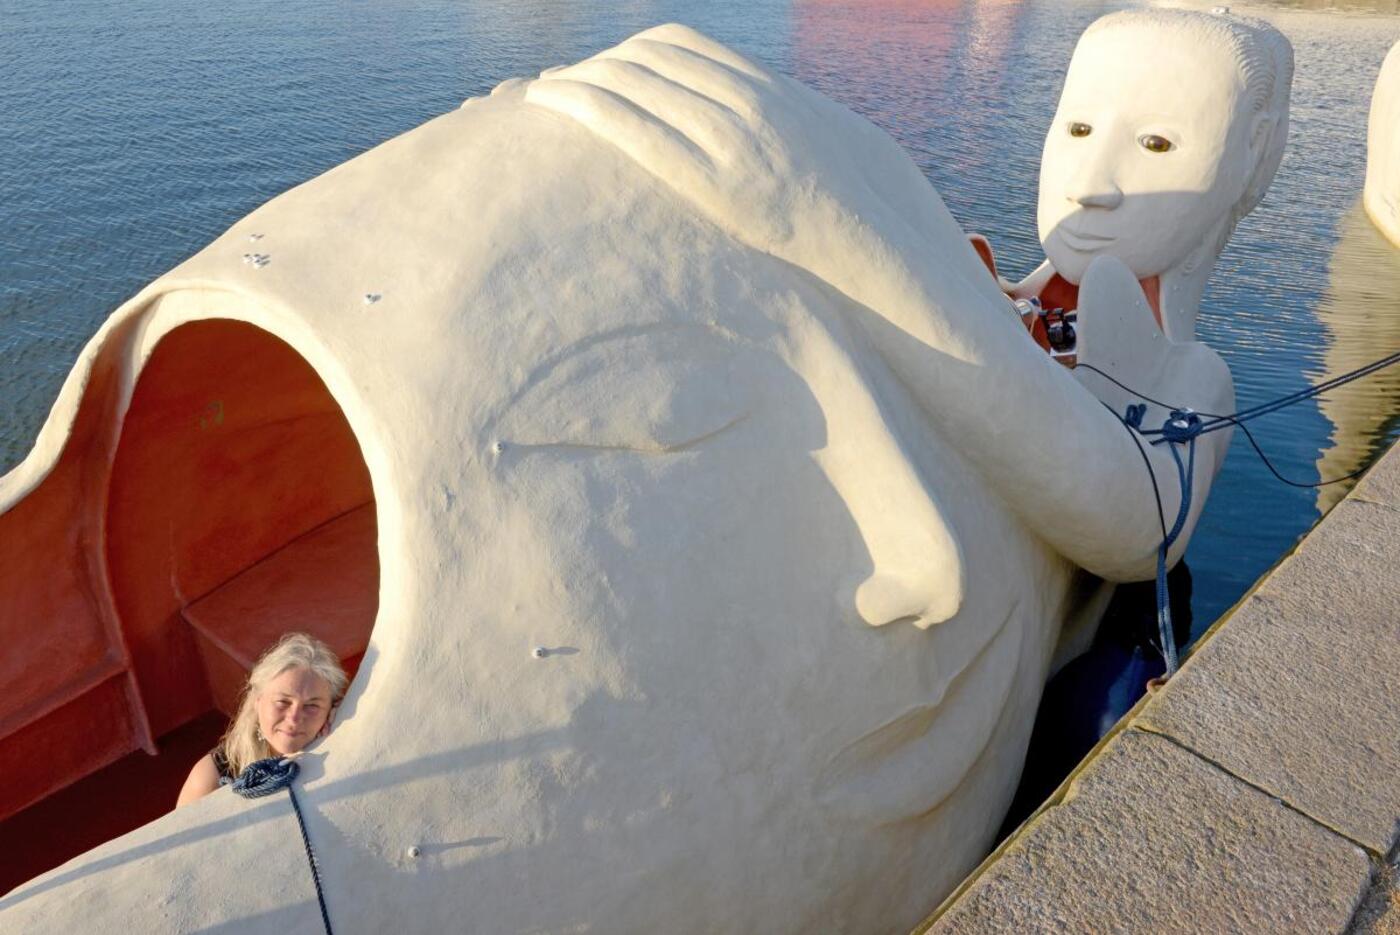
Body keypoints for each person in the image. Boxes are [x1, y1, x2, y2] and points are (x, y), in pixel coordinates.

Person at [175, 632, 347, 808]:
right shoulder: (212, 776)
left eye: (312, 706)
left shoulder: (344, 748)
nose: (294, 719)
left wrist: (344, 725)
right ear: (258, 701)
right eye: (283, 702)